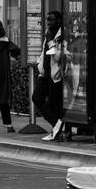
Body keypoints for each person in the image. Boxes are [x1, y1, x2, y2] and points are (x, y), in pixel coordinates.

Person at [37, 10, 70, 142]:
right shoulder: (49, 33)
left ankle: (57, 129)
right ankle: (57, 124)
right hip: (44, 73)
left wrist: (51, 41)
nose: (49, 23)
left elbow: (58, 56)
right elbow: (44, 52)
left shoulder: (61, 35)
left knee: (53, 105)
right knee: (37, 98)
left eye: (52, 20)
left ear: (59, 20)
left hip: (55, 75)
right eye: (48, 20)